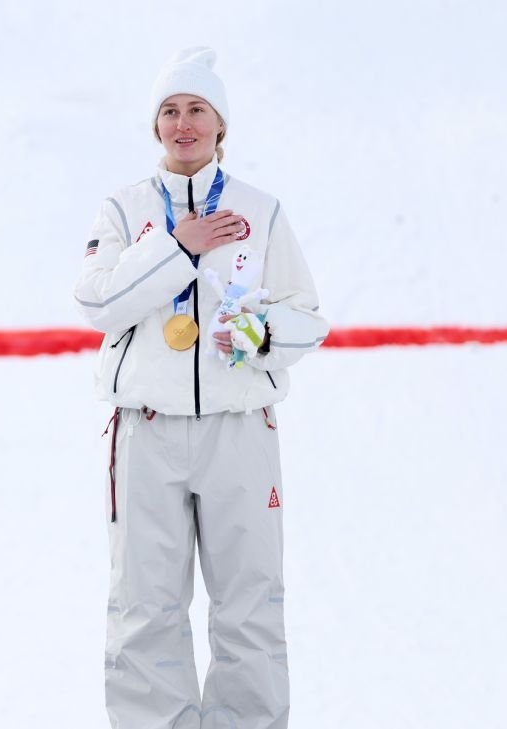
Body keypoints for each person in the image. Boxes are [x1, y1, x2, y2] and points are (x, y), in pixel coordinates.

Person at [74, 47, 328, 729]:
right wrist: (177, 247)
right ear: (155, 126)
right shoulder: (125, 210)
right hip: (146, 430)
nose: (182, 123)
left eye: (196, 110)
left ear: (220, 124)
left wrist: (263, 333)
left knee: (249, 601)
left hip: (239, 427)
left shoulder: (262, 211)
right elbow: (99, 303)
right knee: (144, 605)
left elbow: (310, 317)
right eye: (169, 111)